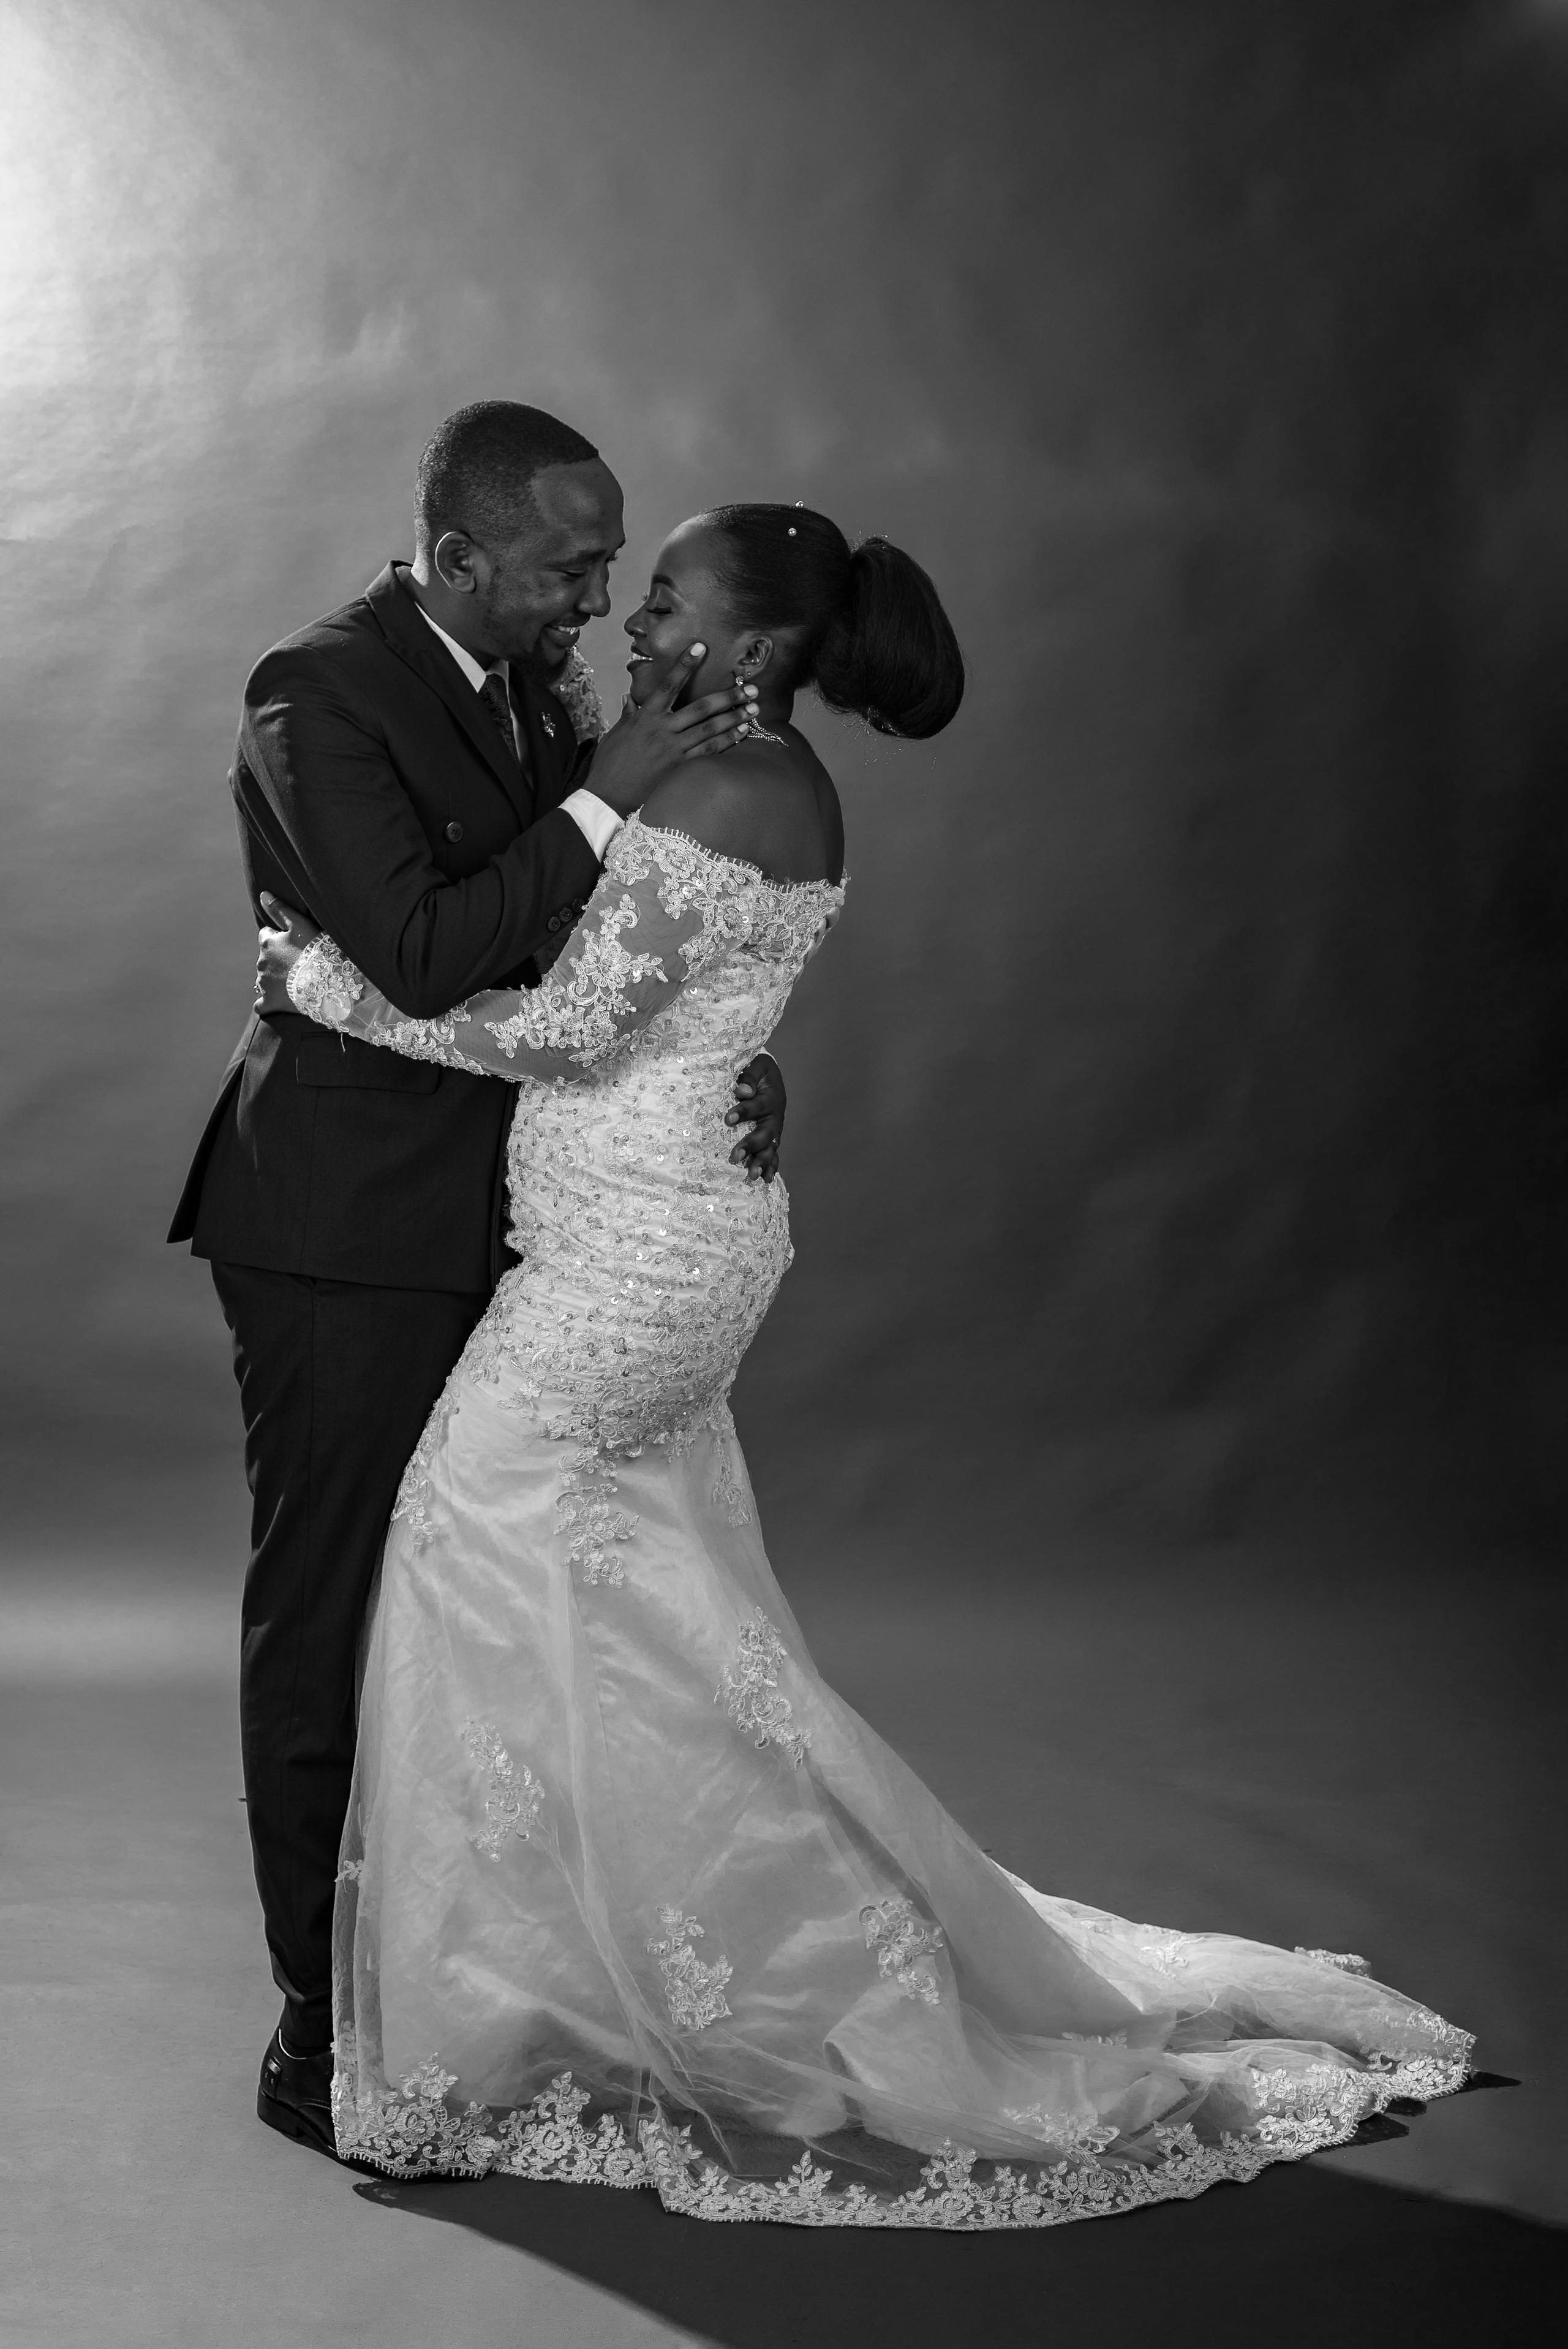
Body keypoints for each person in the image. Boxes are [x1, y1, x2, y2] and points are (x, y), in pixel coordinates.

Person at [256, 502, 1474, 2230]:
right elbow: (695, 1009)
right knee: (649, 1624)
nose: (633, 610)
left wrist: (326, 988)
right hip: (665, 1235)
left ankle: (513, 2014)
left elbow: (565, 1027)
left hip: (634, 1261)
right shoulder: (734, 777)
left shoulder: (732, 789)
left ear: (754, 651)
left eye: (664, 592)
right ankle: (627, 1956)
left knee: (467, 1544)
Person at [167, 404, 785, 2157]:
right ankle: (320, 2019)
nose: (600, 597)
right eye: (571, 565)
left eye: (612, 565)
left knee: (475, 1620)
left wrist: (723, 1045)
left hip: (515, 1221)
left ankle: (459, 1977)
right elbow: (431, 952)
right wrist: (613, 788)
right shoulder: (317, 689)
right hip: (337, 1232)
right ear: (457, 554)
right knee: (336, 1608)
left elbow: (587, 938)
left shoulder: (534, 689)